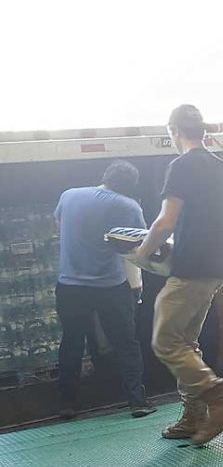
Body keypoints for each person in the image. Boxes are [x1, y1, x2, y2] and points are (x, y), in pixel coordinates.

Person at [134, 105, 223, 446]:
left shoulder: (180, 166)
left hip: (191, 267)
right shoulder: (219, 167)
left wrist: (143, 252)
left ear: (174, 131)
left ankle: (219, 403)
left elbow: (165, 221)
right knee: (185, 343)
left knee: (165, 340)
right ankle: (193, 416)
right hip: (215, 269)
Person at [54, 160, 156, 420]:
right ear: (130, 187)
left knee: (72, 343)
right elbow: (139, 246)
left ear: (105, 176)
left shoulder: (69, 196)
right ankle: (137, 401)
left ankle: (67, 404)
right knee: (125, 343)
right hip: (110, 286)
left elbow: (58, 228)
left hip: (69, 286)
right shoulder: (128, 206)